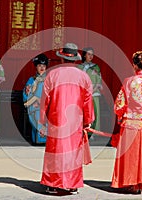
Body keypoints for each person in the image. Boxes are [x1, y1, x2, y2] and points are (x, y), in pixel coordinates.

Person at [39, 43, 94, 195]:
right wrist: (88, 120)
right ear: (75, 59)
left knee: (55, 151)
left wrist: (42, 121)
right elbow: (87, 101)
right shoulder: (84, 77)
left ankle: (52, 184)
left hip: (56, 120)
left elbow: (45, 100)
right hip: (75, 121)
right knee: (73, 152)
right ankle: (72, 184)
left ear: (62, 59)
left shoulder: (52, 75)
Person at [111, 51, 142, 194]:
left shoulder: (128, 81)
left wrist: (120, 116)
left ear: (134, 65)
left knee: (131, 153)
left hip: (130, 122)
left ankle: (130, 182)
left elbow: (121, 102)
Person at [23, 54, 48, 144]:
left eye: (44, 66)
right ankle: (39, 140)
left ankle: (47, 140)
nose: (42, 68)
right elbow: (26, 95)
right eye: (39, 66)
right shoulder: (31, 80)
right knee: (38, 115)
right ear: (36, 67)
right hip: (35, 106)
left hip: (47, 106)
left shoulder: (49, 79)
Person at [77, 47, 102, 139]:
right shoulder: (79, 67)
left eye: (92, 54)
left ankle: (93, 133)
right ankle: (81, 131)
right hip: (82, 94)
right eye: (88, 54)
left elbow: (99, 81)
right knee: (83, 113)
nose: (91, 56)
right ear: (84, 55)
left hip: (94, 93)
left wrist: (92, 90)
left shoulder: (96, 67)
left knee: (94, 113)